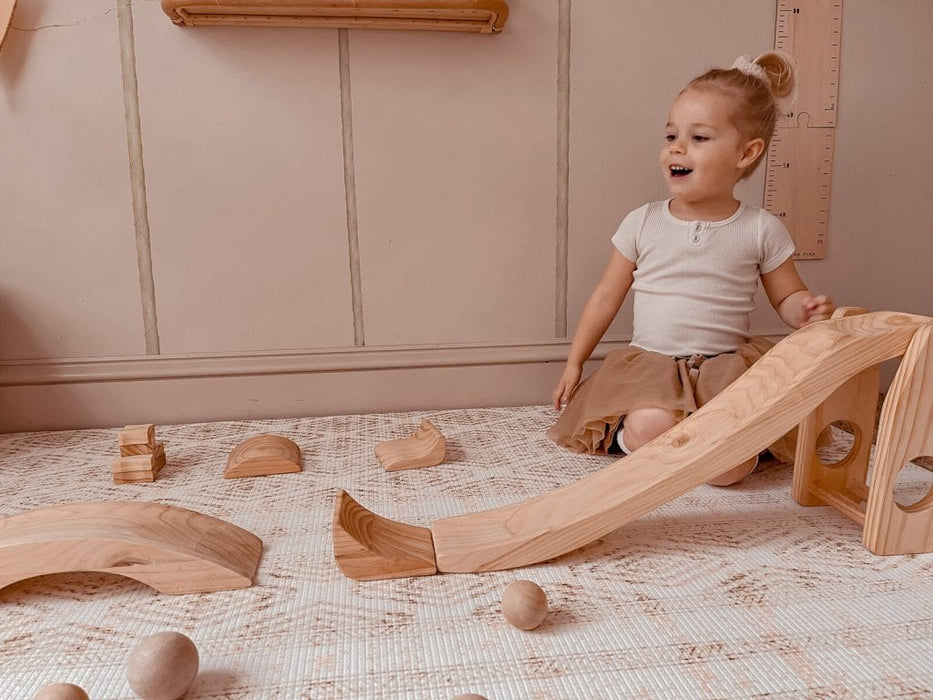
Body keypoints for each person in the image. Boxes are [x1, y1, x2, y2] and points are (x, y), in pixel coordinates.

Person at [547, 52, 835, 486]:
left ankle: (715, 452)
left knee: (731, 468)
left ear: (746, 152)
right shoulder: (643, 222)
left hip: (725, 370)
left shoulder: (760, 228)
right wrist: (575, 362)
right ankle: (641, 440)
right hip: (652, 368)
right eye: (671, 135)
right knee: (651, 423)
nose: (676, 148)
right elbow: (605, 298)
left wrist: (806, 311)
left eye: (698, 137)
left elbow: (787, 296)